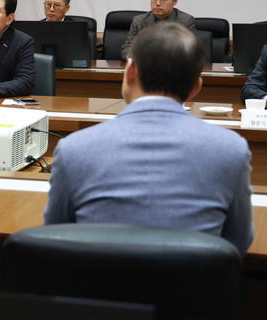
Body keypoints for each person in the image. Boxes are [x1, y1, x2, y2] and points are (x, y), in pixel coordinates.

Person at [45, 22, 253, 256]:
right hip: (191, 279)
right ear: (196, 87)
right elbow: (237, 242)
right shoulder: (231, 149)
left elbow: (54, 236)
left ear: (130, 72)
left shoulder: (73, 149)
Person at [120, 0, 195, 60]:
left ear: (175, 1)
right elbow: (126, 50)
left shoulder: (185, 21)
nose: (158, 3)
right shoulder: (139, 21)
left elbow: (189, 52)